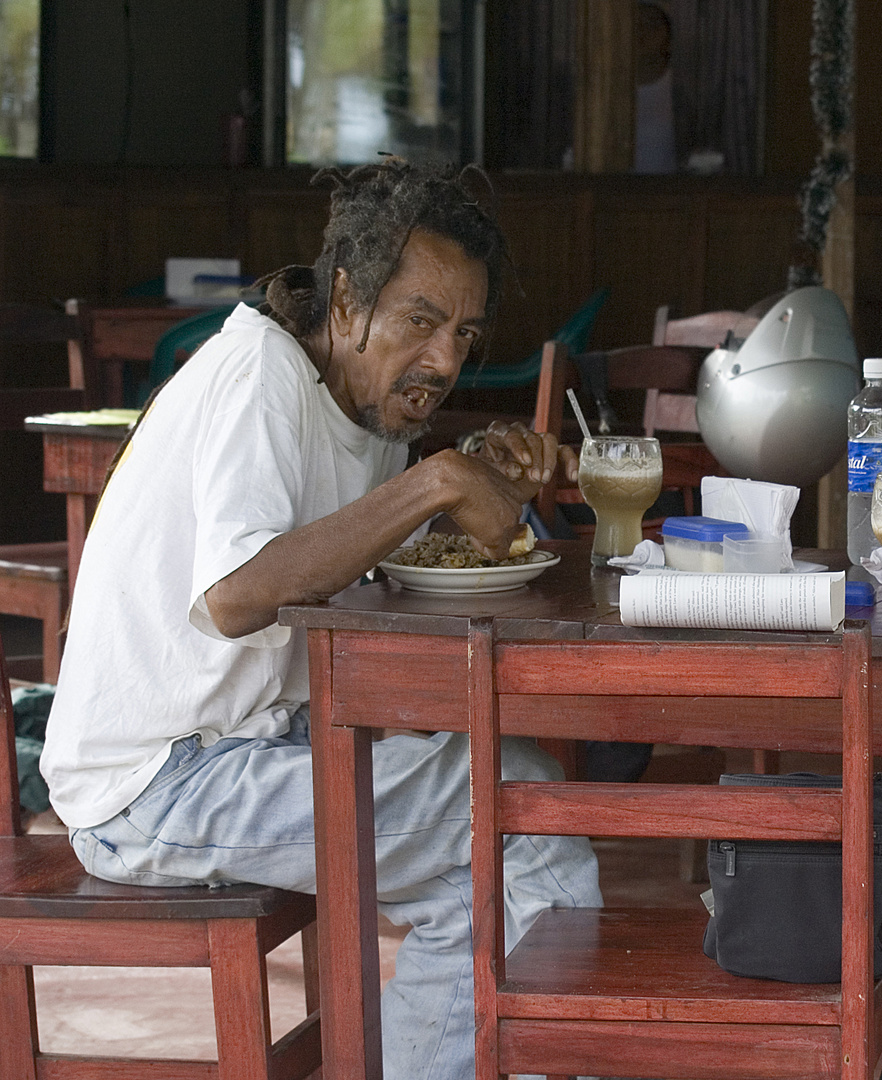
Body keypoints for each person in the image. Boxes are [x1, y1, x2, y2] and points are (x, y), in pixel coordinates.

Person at [39, 160, 601, 1080]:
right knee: (520, 833)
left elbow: (362, 555)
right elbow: (235, 595)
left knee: (523, 784)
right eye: (420, 321)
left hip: (248, 741)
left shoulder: (362, 404)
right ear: (346, 301)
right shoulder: (257, 373)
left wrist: (472, 467)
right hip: (151, 785)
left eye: (464, 332)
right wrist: (436, 481)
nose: (446, 359)